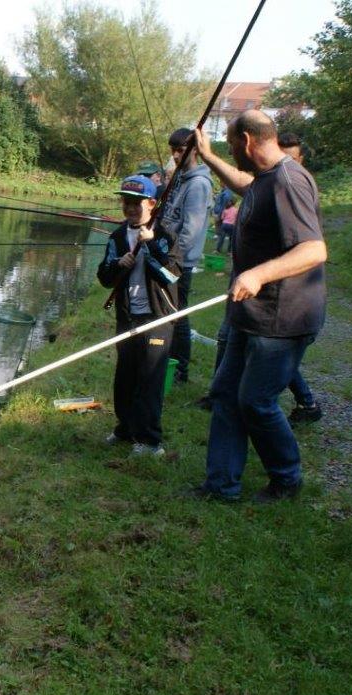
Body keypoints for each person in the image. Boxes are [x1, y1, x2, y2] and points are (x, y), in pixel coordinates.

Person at [190, 110, 328, 503]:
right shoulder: (266, 179)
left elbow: (314, 249)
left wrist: (258, 274)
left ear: (248, 142)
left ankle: (287, 478)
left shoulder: (289, 181)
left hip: (281, 318)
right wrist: (210, 156)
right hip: (250, 314)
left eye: (232, 146)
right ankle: (221, 486)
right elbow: (243, 184)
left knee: (255, 401)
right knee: (226, 394)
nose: (233, 154)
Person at [96, 174, 181, 457]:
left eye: (137, 203)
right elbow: (105, 279)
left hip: (157, 318)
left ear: (152, 203)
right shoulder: (118, 237)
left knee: (150, 379)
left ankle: (150, 441)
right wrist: (119, 264)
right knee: (125, 377)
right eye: (126, 202)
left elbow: (171, 275)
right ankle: (125, 429)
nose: (130, 208)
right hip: (127, 317)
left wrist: (151, 246)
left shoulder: (165, 234)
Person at [158, 127, 214, 387]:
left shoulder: (199, 185)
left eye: (181, 150)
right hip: (167, 257)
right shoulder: (181, 179)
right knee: (168, 311)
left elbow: (190, 231)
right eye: (173, 150)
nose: (176, 155)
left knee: (177, 315)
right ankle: (168, 360)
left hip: (180, 262)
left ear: (195, 150)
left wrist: (171, 260)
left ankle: (180, 369)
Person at [274, 132, 323, 424]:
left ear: (300, 159)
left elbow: (313, 248)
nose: (288, 164)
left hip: (297, 295)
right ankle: (307, 403)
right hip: (278, 292)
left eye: (293, 158)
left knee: (278, 359)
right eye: (284, 157)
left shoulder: (298, 185)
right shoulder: (275, 183)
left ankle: (307, 403)